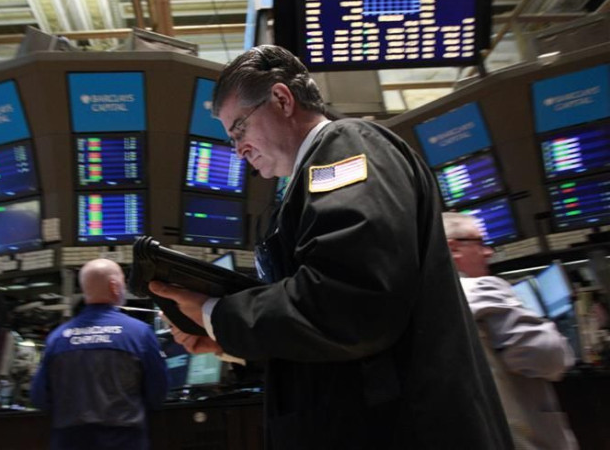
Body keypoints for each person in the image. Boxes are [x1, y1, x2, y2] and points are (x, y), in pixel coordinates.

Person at [149, 45, 512, 449]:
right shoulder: (309, 179)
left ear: (282, 100)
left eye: (239, 129)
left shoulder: (347, 147)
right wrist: (230, 343)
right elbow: (332, 338)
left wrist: (218, 314)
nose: (238, 150)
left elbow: (350, 301)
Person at [442, 212, 578, 450]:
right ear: (454, 249)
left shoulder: (428, 303)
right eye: (479, 242)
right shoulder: (482, 288)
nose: (488, 252)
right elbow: (551, 357)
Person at [31, 259, 168, 450]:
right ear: (114, 286)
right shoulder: (139, 333)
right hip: (124, 441)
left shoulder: (57, 339)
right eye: (123, 280)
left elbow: (39, 398)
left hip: (69, 442)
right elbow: (157, 393)